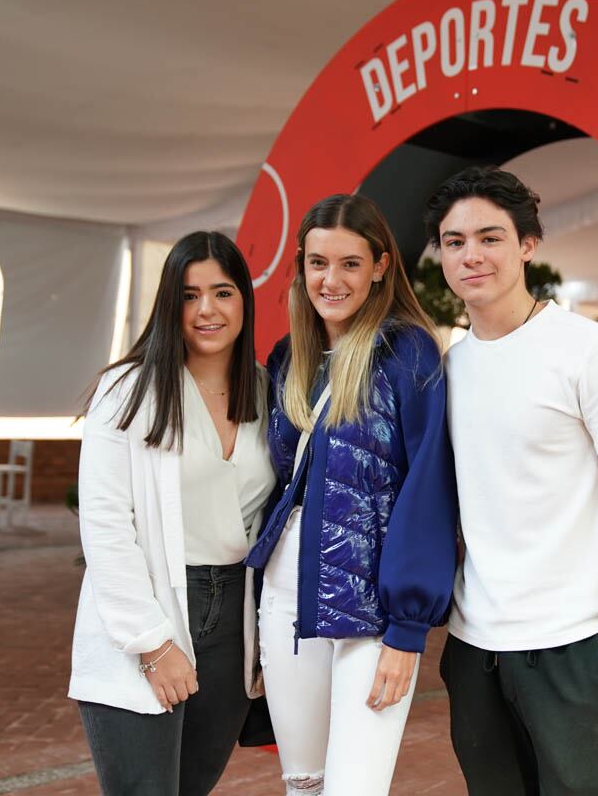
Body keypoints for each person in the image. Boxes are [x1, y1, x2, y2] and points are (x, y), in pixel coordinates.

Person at [426, 166, 598, 795]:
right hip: (474, 645)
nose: (471, 255)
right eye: (455, 242)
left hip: (576, 642)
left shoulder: (593, 349)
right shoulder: (451, 367)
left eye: (490, 237)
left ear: (527, 244)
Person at [245, 193, 458, 795]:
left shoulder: (406, 352)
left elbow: (428, 487)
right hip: (288, 597)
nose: (330, 280)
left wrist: (408, 630)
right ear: (302, 268)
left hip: (373, 613)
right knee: (304, 784)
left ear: (381, 266)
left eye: (349, 264)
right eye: (318, 263)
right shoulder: (290, 358)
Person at [69, 231, 276, 795]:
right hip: (152, 606)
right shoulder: (128, 391)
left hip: (233, 617)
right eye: (189, 295)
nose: (206, 309)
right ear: (169, 304)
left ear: (244, 301)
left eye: (223, 292)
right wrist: (153, 644)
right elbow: (107, 527)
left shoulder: (266, 391)